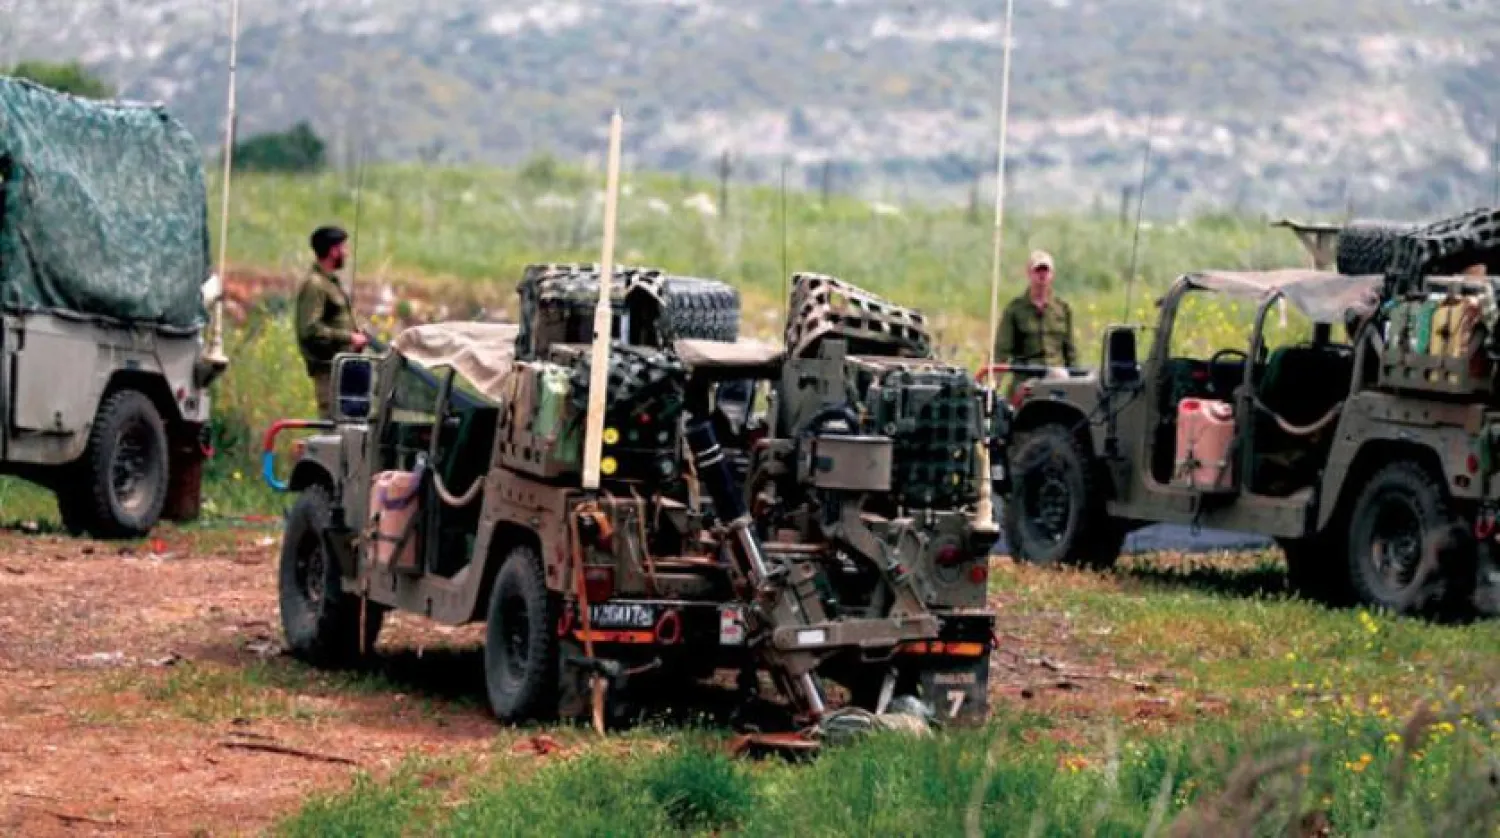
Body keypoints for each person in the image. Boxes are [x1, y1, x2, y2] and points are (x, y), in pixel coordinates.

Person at [295, 225, 366, 419]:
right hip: (329, 373)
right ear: (333, 251)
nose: (347, 253)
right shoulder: (315, 285)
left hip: (344, 371)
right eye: (343, 248)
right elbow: (309, 329)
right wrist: (349, 337)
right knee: (335, 429)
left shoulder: (330, 283)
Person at [992, 250, 1077, 387]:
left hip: (1058, 379)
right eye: (1038, 270)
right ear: (1029, 274)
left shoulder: (1062, 309)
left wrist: (1076, 379)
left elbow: (1071, 351)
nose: (1042, 275)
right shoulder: (1015, 310)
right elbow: (1002, 350)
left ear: (1052, 275)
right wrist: (995, 382)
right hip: (1026, 380)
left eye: (1046, 271)